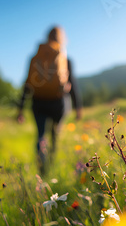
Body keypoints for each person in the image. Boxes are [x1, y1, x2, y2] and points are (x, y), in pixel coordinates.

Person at [17, 26, 82, 175]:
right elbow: (73, 85)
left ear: (47, 37)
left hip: (38, 102)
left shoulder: (35, 58)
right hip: (58, 103)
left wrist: (20, 108)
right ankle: (51, 164)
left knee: (40, 136)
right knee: (54, 135)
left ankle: (42, 170)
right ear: (63, 39)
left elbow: (27, 84)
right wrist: (78, 108)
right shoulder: (65, 59)